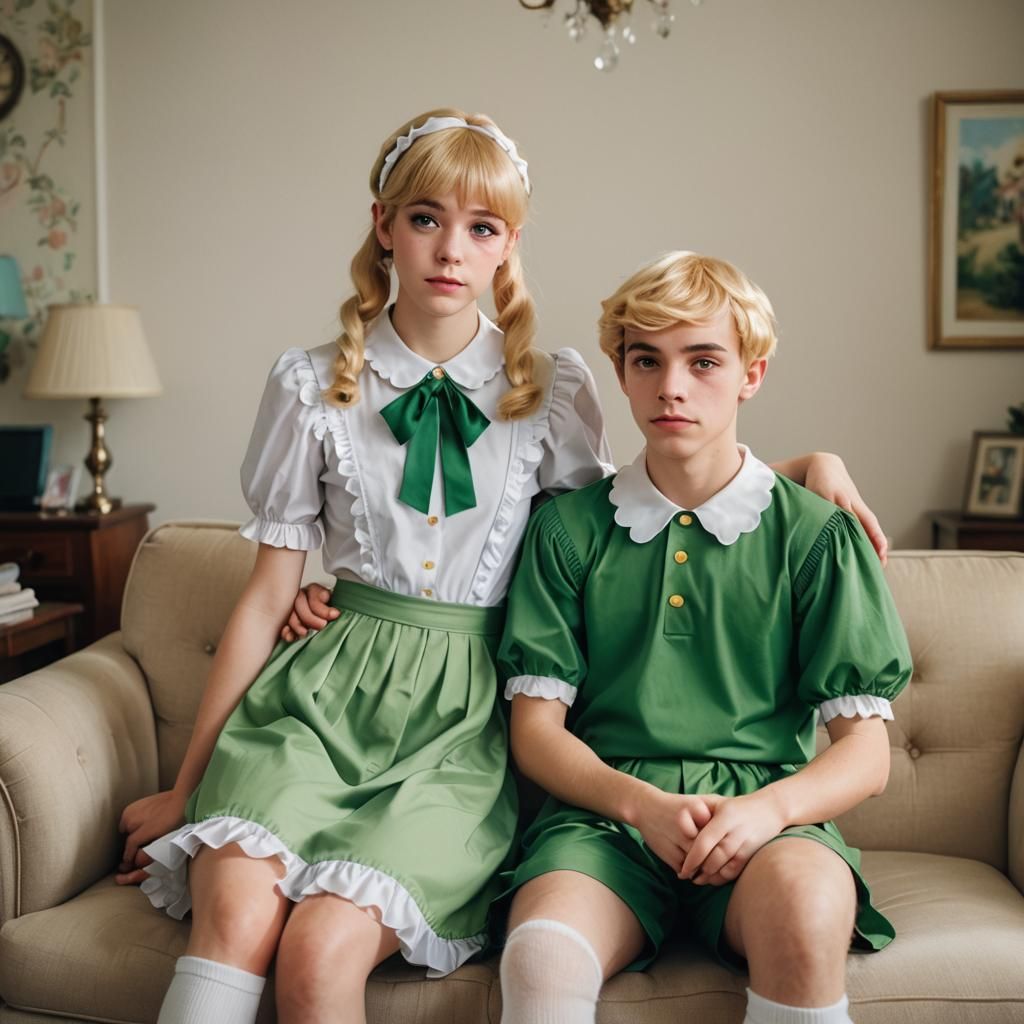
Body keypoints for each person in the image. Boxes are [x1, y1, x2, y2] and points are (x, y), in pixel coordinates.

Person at [114, 106, 887, 1024]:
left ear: (508, 244)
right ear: (384, 225)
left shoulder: (553, 390)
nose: (450, 250)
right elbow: (263, 596)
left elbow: (648, 493)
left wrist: (802, 469)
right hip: (321, 698)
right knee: (236, 917)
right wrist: (187, 786)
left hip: (463, 716)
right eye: (425, 219)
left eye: (481, 227)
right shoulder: (308, 383)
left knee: (321, 950)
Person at [494, 252, 913, 1024]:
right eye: (646, 360)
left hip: (768, 819)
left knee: (807, 915)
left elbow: (867, 754)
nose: (672, 386)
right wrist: (642, 806)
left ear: (752, 374)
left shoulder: (817, 535)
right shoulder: (567, 532)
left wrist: (767, 812)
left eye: (703, 361)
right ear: (621, 374)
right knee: (542, 956)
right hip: (605, 821)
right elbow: (536, 734)